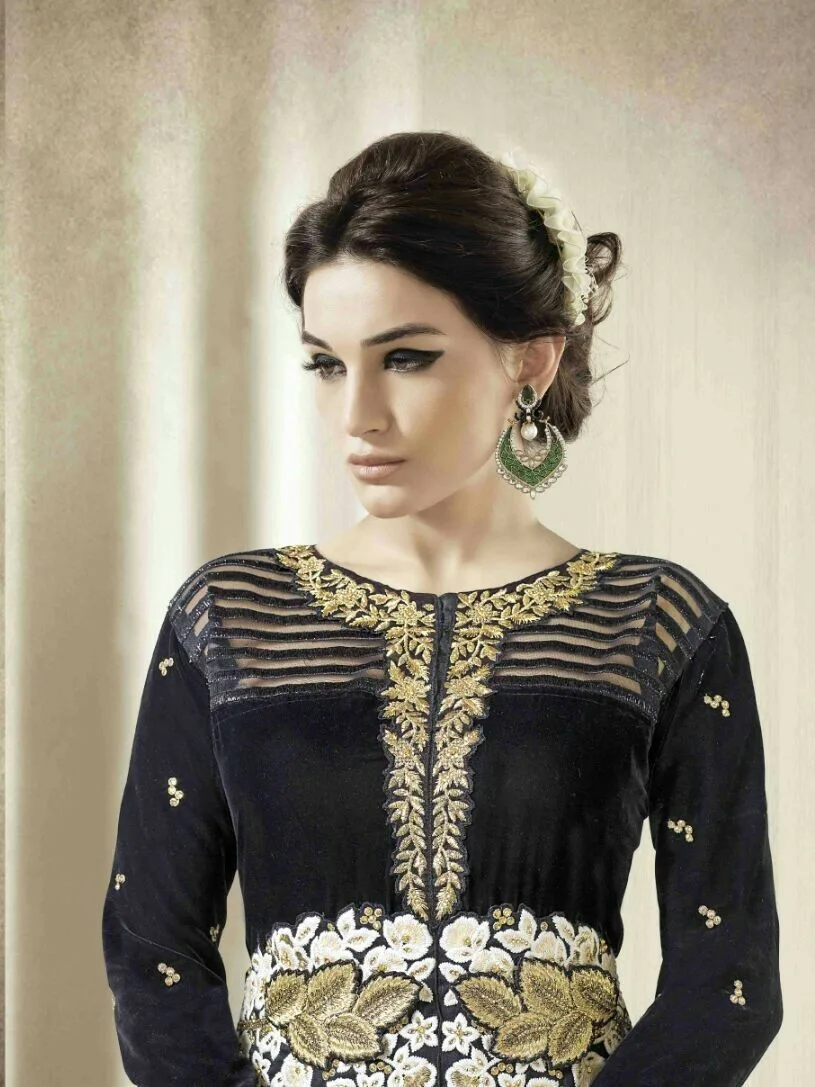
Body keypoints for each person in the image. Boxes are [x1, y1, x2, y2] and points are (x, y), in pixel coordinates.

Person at [101, 131, 783, 1086]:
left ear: (530, 360)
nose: (358, 415)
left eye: (407, 358)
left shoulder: (656, 621)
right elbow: (153, 956)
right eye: (326, 365)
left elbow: (727, 983)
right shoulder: (228, 617)